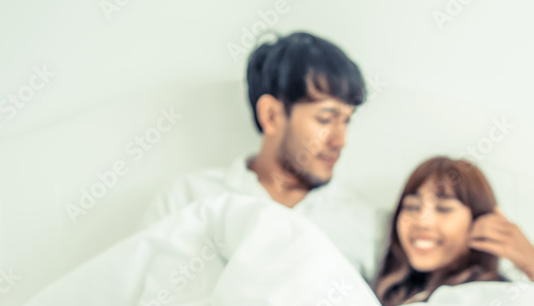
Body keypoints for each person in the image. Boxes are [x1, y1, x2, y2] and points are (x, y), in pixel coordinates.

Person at [142, 31, 383, 282]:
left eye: (346, 121)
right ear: (271, 115)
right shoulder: (186, 199)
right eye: (325, 119)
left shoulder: (367, 227)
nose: (340, 140)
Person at [373, 156, 534, 306]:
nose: (422, 221)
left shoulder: (495, 299)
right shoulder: (387, 293)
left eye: (444, 208)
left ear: (480, 222)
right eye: (412, 206)